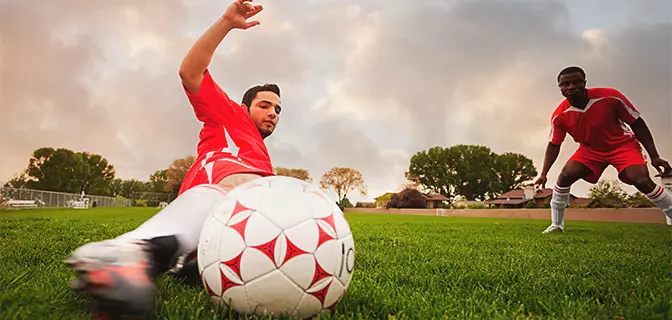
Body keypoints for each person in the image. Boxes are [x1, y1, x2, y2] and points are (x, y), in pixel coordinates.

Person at [64, 0, 277, 317]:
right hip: (217, 183)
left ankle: (189, 260)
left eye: (277, 109)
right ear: (246, 108)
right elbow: (190, 72)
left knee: (274, 198)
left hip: (220, 213)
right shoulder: (231, 115)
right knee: (252, 186)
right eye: (264, 105)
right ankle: (130, 249)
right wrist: (226, 23)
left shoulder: (262, 156)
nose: (272, 113)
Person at [535, 66, 672, 233]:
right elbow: (554, 144)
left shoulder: (610, 97)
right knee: (564, 177)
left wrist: (654, 156)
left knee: (641, 180)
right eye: (565, 84)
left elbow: (637, 123)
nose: (571, 87)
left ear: (584, 83)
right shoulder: (560, 115)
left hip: (622, 145)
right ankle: (556, 225)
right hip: (590, 149)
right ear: (560, 87)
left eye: (576, 82)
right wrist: (543, 173)